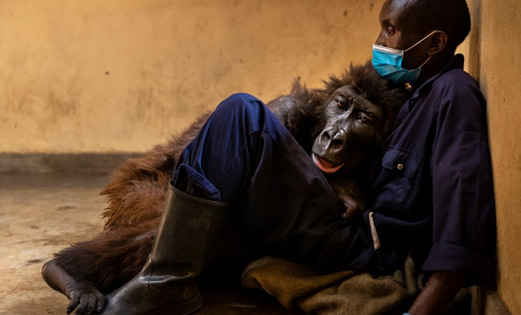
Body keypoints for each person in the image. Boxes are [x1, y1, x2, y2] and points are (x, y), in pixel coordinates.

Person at [99, 0, 496, 314]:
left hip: (357, 246)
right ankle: (165, 274)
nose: (380, 41)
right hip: (337, 218)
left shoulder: (453, 96)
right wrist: (342, 183)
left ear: (435, 43)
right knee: (249, 118)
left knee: (244, 115)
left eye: (390, 30)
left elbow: (460, 213)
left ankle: (164, 282)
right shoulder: (409, 93)